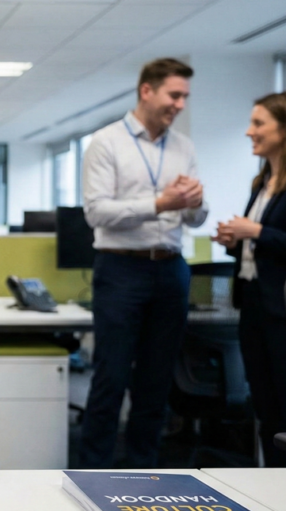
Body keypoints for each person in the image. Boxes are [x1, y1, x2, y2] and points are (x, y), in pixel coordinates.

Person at [80, 58, 207, 468]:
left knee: (156, 384)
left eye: (185, 96)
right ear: (146, 91)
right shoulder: (107, 142)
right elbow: (97, 212)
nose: (181, 104)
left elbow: (197, 218)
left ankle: (147, 473)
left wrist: (195, 203)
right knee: (110, 380)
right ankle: (94, 475)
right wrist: (160, 203)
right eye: (175, 94)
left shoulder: (183, 147)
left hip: (171, 268)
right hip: (121, 269)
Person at [212, 92, 286, 467]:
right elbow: (261, 250)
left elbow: (273, 240)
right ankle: (273, 485)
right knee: (264, 404)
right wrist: (234, 242)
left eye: (259, 124)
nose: (248, 132)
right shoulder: (263, 182)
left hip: (281, 310)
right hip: (253, 302)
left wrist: (255, 231)